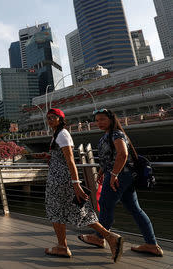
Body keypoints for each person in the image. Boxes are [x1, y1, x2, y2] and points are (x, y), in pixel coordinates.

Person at [79, 109, 163, 257]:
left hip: (120, 176)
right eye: (97, 120)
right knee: (135, 210)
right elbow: (108, 158)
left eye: (103, 119)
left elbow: (122, 154)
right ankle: (152, 244)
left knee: (105, 204)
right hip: (122, 176)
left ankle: (99, 238)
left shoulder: (116, 134)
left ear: (111, 119)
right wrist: (101, 172)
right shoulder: (107, 136)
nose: (99, 123)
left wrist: (113, 175)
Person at [44, 108, 123, 262]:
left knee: (59, 210)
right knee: (69, 211)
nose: (50, 120)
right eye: (48, 118)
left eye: (53, 117)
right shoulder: (57, 134)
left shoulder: (63, 134)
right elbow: (61, 157)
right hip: (58, 180)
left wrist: (76, 184)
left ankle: (107, 237)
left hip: (61, 181)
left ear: (61, 119)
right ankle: (64, 245)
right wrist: (48, 156)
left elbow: (70, 160)